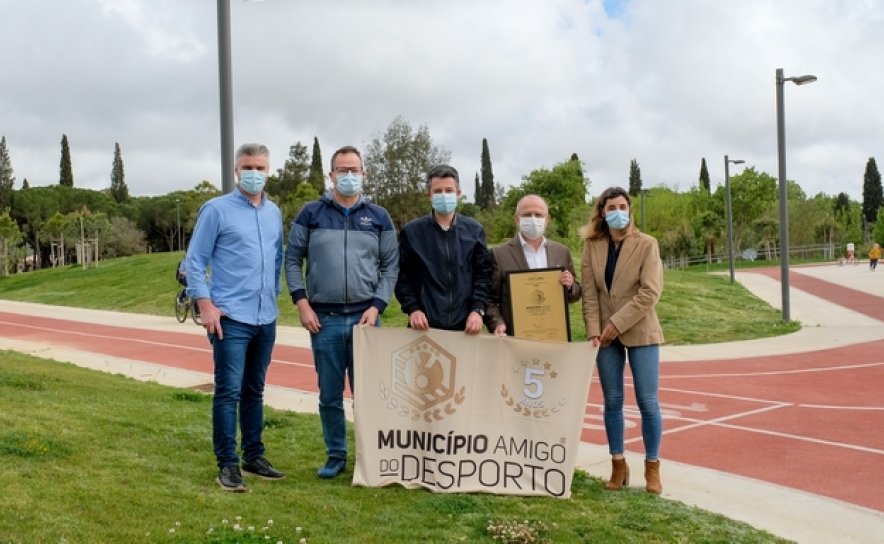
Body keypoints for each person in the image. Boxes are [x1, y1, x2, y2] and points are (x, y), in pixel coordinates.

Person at [285, 145, 399, 479]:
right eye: (342, 170)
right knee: (330, 395)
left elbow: (391, 266)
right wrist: (302, 303)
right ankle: (336, 455)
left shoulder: (379, 217)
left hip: (366, 319)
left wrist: (377, 307)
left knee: (369, 394)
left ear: (364, 173)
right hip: (325, 321)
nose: (349, 176)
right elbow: (292, 259)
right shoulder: (310, 213)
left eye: (355, 170)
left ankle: (371, 455)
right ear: (331, 175)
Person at [185, 143, 285, 492]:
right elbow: (194, 260)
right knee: (228, 391)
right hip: (230, 317)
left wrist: (275, 292)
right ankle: (227, 464)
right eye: (248, 166)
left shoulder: (274, 212)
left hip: (265, 316)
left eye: (260, 167)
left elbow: (276, 258)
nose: (254, 173)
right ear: (236, 170)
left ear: (268, 170)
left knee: (254, 389)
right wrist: (204, 304)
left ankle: (253, 456)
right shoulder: (215, 210)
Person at [580, 186, 664, 494]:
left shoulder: (647, 244)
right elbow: (589, 293)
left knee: (647, 401)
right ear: (602, 212)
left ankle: (652, 468)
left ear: (629, 209)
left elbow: (650, 292)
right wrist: (594, 328)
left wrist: (617, 322)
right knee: (612, 401)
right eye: (611, 207)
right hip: (604, 335)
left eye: (622, 206)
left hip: (640, 330)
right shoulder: (592, 246)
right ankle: (618, 464)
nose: (618, 211)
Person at [396, 164, 491, 333]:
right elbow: (402, 276)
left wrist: (477, 310)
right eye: (438, 191)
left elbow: (483, 275)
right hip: (424, 326)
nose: (444, 195)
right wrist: (413, 308)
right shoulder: (412, 232)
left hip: (465, 327)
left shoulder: (475, 231)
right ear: (429, 195)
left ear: (458, 193)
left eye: (449, 190)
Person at [485, 194, 581, 336]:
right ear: (517, 219)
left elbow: (575, 294)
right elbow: (489, 300)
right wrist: (497, 324)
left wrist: (571, 285)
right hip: (515, 337)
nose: (533, 219)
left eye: (538, 214)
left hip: (554, 336)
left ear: (547, 220)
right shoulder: (499, 255)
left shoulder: (561, 252)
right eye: (527, 214)